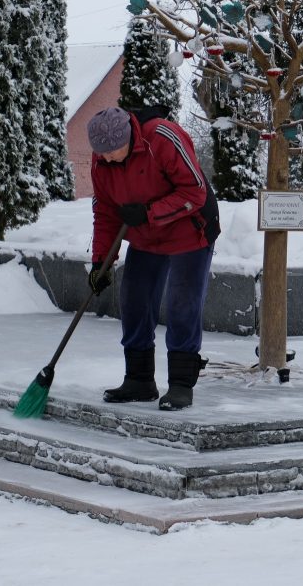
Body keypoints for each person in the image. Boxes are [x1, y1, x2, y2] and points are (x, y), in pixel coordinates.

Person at [86, 105, 220, 411]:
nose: (105, 158)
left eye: (111, 151)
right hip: (147, 235)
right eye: (100, 153)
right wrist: (100, 263)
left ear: (128, 137)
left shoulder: (161, 137)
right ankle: (139, 380)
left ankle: (181, 385)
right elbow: (105, 213)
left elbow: (195, 191)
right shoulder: (101, 161)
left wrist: (148, 212)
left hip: (190, 229)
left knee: (181, 303)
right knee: (134, 299)